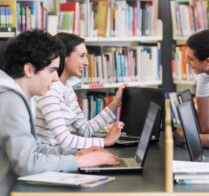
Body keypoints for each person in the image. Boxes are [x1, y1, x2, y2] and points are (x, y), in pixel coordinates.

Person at [0, 30, 119, 196]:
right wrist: (80, 161)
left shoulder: (19, 96)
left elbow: (34, 148)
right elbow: (27, 163)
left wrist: (75, 153)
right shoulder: (10, 100)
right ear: (29, 69)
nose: (56, 78)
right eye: (51, 70)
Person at [35, 32, 124, 149]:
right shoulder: (49, 90)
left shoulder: (67, 87)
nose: (87, 62)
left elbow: (85, 130)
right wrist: (105, 142)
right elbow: (64, 140)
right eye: (82, 56)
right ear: (64, 57)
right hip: (48, 156)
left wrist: (115, 104)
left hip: (59, 153)